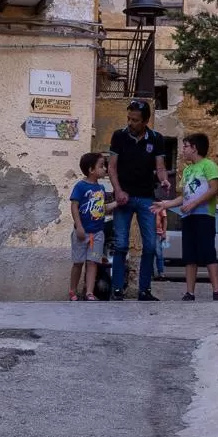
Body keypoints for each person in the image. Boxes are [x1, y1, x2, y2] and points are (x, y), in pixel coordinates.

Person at [108, 99, 170, 301]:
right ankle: (117, 289)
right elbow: (112, 167)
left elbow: (160, 166)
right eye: (129, 118)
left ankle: (144, 290)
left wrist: (164, 180)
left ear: (145, 121)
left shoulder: (156, 138)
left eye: (135, 120)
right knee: (121, 244)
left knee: (150, 245)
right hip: (124, 197)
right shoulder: (119, 136)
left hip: (146, 198)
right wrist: (118, 191)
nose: (130, 123)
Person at [152, 132, 218, 301]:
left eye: (185, 147)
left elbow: (214, 189)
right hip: (188, 217)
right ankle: (189, 292)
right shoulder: (187, 170)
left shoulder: (209, 165)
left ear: (194, 148)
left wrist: (194, 204)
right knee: (189, 256)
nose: (182, 150)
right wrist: (166, 204)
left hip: (204, 216)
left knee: (208, 253)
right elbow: (184, 197)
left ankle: (217, 291)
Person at [68, 152, 113, 301]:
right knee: (78, 263)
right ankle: (73, 290)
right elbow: (74, 206)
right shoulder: (80, 186)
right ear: (91, 170)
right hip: (82, 232)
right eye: (101, 166)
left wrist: (117, 203)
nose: (104, 169)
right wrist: (79, 226)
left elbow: (102, 209)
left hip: (97, 233)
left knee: (93, 262)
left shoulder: (101, 189)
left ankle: (89, 292)